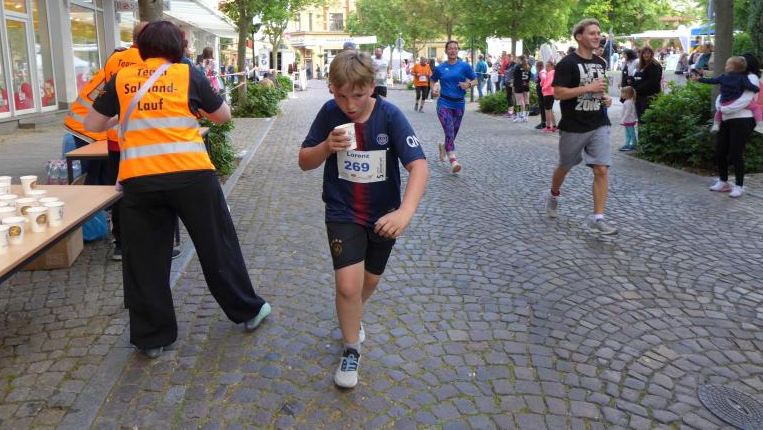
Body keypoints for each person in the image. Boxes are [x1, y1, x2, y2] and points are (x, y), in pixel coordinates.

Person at [84, 20, 271, 358]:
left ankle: (151, 338)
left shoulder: (122, 78)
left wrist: (125, 113)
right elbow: (223, 116)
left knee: (145, 259)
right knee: (217, 246)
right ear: (178, 48)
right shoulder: (188, 75)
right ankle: (247, 310)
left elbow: (92, 124)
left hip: (140, 180)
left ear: (142, 47)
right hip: (192, 176)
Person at [298, 50, 428, 388]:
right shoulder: (330, 114)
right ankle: (351, 347)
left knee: (368, 282)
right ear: (331, 88)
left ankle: (351, 314)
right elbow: (304, 161)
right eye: (341, 96)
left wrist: (404, 212)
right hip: (342, 210)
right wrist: (326, 147)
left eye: (357, 95)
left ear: (371, 86)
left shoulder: (390, 115)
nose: (349, 105)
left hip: (383, 217)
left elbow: (419, 166)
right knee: (347, 286)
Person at [545, 19, 617, 235]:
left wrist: (605, 98)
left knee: (601, 169)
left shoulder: (601, 62)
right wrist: (588, 88)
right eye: (592, 33)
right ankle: (554, 193)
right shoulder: (567, 63)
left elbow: (599, 90)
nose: (597, 36)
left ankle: (598, 218)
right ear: (579, 36)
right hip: (574, 125)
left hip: (598, 122)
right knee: (565, 166)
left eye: (598, 33)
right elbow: (559, 93)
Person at [101, 22, 147, 260]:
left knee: (119, 193)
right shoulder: (151, 62)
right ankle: (149, 243)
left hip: (115, 138)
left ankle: (120, 243)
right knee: (147, 193)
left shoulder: (113, 59)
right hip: (141, 140)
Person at [705, 52, 761, 197]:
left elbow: (746, 99)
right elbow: (722, 95)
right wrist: (720, 106)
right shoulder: (731, 76)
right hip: (726, 119)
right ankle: (723, 181)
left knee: (736, 152)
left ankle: (739, 185)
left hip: (743, 120)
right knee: (720, 151)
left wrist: (726, 109)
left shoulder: (752, 78)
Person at [431, 41, 476, 173]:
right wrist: (433, 89)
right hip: (444, 103)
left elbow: (475, 80)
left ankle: (444, 147)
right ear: (446, 51)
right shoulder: (440, 68)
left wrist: (468, 85)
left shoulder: (464, 66)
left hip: (459, 104)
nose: (452, 51)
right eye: (450, 48)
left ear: (458, 51)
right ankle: (453, 161)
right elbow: (432, 80)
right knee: (449, 130)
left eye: (455, 48)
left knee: (453, 132)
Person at [696, 56, 762, 134]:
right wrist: (757, 89)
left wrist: (699, 79)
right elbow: (749, 86)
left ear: (731, 67)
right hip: (735, 100)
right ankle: (760, 125)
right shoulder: (743, 78)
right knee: (756, 107)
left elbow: (712, 81)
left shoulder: (723, 76)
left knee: (719, 111)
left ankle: (716, 124)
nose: (725, 66)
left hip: (724, 102)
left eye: (726, 65)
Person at [629, 45, 662, 126]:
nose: (646, 55)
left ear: (652, 54)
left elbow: (652, 82)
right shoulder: (642, 65)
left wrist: (636, 89)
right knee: (640, 119)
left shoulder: (655, 65)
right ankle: (641, 133)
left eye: (648, 53)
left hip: (649, 96)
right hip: (640, 95)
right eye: (644, 53)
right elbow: (639, 78)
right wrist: (631, 81)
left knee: (647, 119)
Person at [512, 55, 531, 123]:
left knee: (518, 102)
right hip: (526, 85)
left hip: (518, 86)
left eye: (518, 59)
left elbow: (515, 78)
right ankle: (526, 116)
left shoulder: (517, 67)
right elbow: (529, 77)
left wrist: (514, 86)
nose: (517, 60)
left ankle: (518, 117)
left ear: (520, 59)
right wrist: (526, 82)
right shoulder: (528, 66)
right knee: (527, 101)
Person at [619, 86, 638, 151]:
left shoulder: (628, 102)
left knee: (631, 133)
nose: (621, 94)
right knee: (628, 133)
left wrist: (623, 120)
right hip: (628, 121)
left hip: (629, 121)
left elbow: (627, 112)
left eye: (622, 93)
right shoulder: (628, 101)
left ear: (627, 94)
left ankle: (633, 144)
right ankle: (627, 144)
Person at [540, 60, 557, 132]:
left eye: (548, 66)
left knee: (547, 110)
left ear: (552, 67)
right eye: (546, 66)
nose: (546, 68)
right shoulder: (551, 73)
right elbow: (545, 81)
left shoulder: (550, 73)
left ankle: (548, 127)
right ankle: (554, 126)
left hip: (548, 93)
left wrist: (543, 88)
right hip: (550, 93)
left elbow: (550, 82)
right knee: (550, 109)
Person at [534, 60, 546, 130]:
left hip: (541, 90)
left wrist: (541, 84)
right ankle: (544, 122)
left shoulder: (541, 72)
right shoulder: (543, 71)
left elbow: (543, 79)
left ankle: (543, 122)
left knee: (542, 106)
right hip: (541, 90)